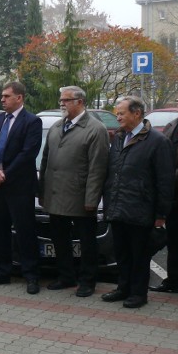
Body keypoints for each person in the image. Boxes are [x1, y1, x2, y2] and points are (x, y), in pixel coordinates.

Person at [101, 96, 174, 308]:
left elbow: (165, 180)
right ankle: (123, 288)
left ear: (137, 114)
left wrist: (161, 214)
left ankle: (138, 293)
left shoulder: (157, 142)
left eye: (122, 113)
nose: (118, 116)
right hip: (117, 206)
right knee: (122, 253)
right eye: (117, 112)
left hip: (141, 209)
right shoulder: (118, 137)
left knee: (139, 255)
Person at [38, 86, 109, 297]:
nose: (62, 104)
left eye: (66, 100)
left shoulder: (96, 129)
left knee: (87, 242)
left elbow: (98, 168)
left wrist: (92, 199)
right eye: (61, 100)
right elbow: (45, 162)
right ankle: (66, 276)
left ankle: (87, 281)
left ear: (79, 102)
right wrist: (42, 191)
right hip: (55, 195)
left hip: (80, 197)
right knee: (59, 239)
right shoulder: (57, 126)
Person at [0, 81, 43, 295]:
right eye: (2, 96)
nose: (2, 100)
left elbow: (28, 153)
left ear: (19, 98)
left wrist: (4, 174)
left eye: (7, 96)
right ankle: (1, 272)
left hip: (18, 187)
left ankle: (31, 275)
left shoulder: (32, 121)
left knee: (25, 231)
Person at [149, 88, 178, 295]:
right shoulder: (174, 125)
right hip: (174, 198)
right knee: (175, 241)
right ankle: (174, 281)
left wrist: (168, 180)